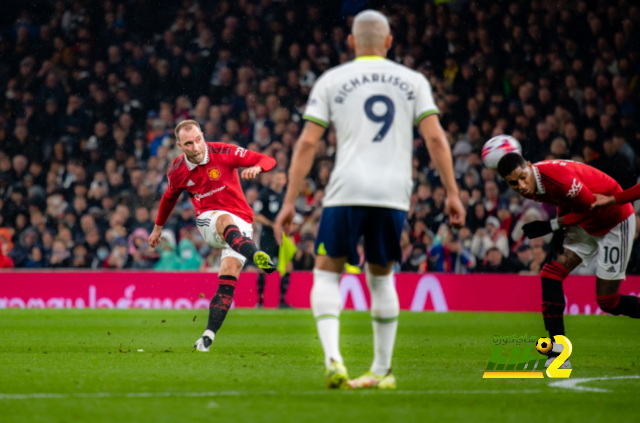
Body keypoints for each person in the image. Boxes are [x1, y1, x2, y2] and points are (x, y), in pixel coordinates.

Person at [273, 10, 465, 390]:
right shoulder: (413, 81)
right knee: (382, 277)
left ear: (351, 42)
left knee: (327, 272)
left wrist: (289, 201)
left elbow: (308, 142)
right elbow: (436, 139)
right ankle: (381, 370)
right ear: (389, 42)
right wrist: (453, 193)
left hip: (347, 189)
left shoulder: (332, 80)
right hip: (393, 193)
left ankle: (334, 361)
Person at [497, 152, 639, 369]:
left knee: (608, 302)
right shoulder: (534, 181)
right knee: (550, 274)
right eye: (513, 183)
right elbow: (563, 199)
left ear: (529, 165)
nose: (521, 185)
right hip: (584, 221)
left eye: (522, 177)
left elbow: (592, 207)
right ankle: (558, 353)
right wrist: (558, 232)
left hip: (613, 221)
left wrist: (551, 225)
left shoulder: (559, 178)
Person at [148, 120, 277, 353]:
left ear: (202, 135)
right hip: (208, 219)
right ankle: (256, 253)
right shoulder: (177, 170)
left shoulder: (224, 152)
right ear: (180, 145)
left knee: (228, 278)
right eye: (189, 143)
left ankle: (207, 337)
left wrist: (258, 168)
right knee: (223, 220)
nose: (196, 146)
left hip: (243, 222)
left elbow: (268, 160)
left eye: (198, 139)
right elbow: (169, 198)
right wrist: (158, 229)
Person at [254, 169, 293, 308]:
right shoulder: (265, 194)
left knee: (287, 266)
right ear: (273, 179)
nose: (279, 181)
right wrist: (272, 225)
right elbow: (256, 215)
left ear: (285, 181)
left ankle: (282, 302)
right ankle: (260, 302)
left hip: (282, 237)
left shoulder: (286, 195)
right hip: (268, 236)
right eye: (277, 178)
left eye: (282, 178)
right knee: (265, 267)